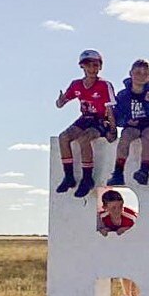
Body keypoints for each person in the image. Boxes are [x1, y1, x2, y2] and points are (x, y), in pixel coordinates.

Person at [54, 49, 116, 199]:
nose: (92, 69)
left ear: (100, 67)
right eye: (88, 66)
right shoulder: (76, 85)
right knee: (63, 137)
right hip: (86, 117)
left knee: (84, 139)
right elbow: (61, 103)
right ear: (82, 67)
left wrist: (113, 130)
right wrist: (60, 101)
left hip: (101, 119)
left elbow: (110, 109)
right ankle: (68, 176)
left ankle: (87, 177)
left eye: (95, 65)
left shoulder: (104, 85)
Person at [108, 58, 149, 187]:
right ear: (131, 73)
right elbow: (117, 115)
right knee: (125, 137)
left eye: (145, 73)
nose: (141, 76)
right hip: (133, 125)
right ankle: (118, 172)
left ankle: (144, 170)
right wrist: (126, 120)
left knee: (148, 136)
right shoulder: (124, 95)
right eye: (138, 73)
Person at [97, 188, 140, 296]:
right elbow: (99, 227)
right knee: (124, 271)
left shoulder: (130, 216)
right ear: (105, 207)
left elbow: (140, 230)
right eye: (113, 208)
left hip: (134, 247)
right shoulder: (102, 217)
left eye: (120, 206)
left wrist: (127, 229)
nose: (118, 211)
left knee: (136, 272)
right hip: (119, 249)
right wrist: (102, 229)